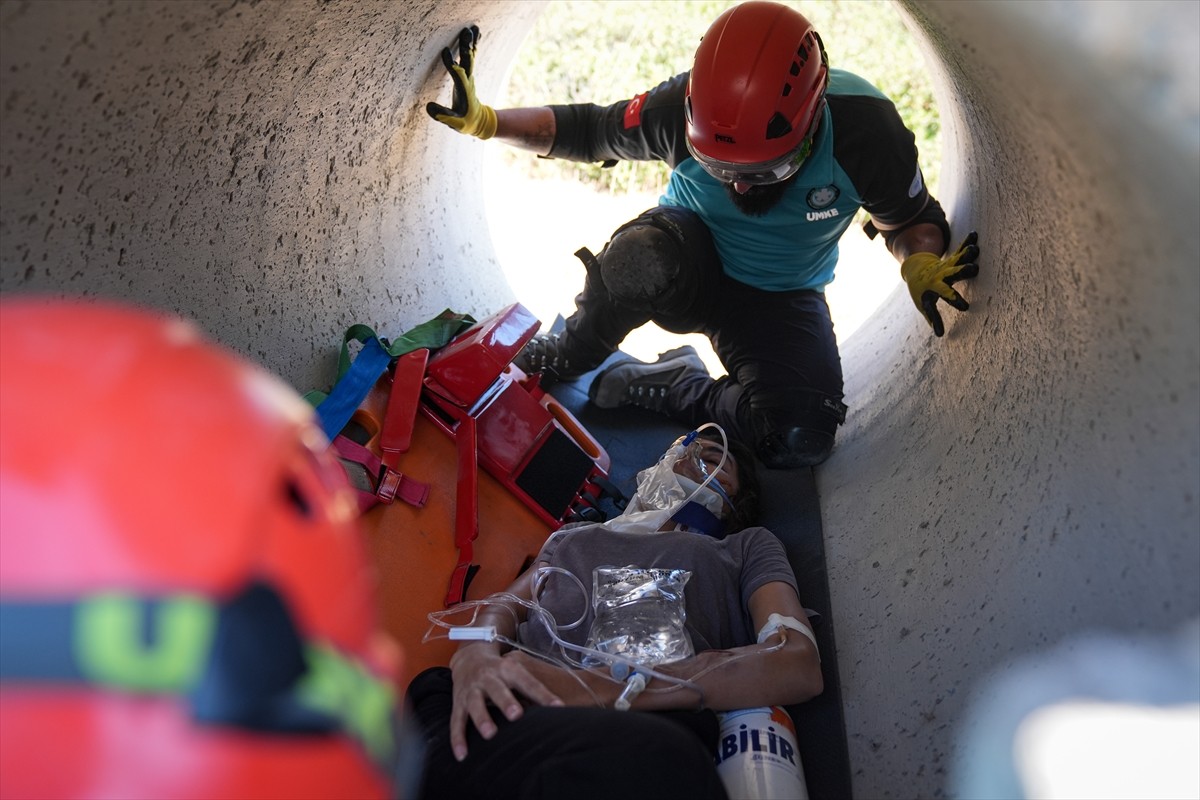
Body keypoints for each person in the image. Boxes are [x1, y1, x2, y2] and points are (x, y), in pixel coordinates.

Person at [427, 1, 981, 469]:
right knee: (638, 257)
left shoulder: (867, 132)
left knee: (798, 437)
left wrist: (918, 260)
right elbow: (591, 129)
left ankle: (675, 386)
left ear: (811, 123)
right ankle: (571, 352)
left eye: (765, 171)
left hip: (779, 295)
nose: (740, 182)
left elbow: (911, 222)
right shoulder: (678, 107)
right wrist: (489, 123)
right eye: (719, 166)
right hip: (684, 261)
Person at [406, 426, 823, 799]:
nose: (691, 457)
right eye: (683, 448)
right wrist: (475, 654)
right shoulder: (572, 537)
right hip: (510, 710)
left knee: (661, 755)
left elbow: (796, 662)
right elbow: (506, 607)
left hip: (639, 728)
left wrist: (592, 688)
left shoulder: (744, 547)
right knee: (430, 687)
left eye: (714, 459)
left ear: (736, 500)